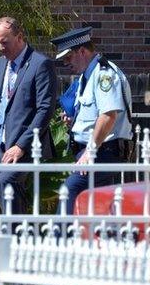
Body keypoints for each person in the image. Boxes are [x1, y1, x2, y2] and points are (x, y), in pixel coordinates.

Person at [51, 27, 133, 214]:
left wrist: (90, 151)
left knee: (69, 190)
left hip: (103, 152)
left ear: (82, 51)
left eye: (68, 57)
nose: (66, 63)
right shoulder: (86, 77)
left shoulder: (104, 74)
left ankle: (58, 241)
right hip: (91, 153)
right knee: (98, 207)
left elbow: (108, 116)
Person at [0, 17, 57, 214]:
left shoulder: (40, 64)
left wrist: (21, 145)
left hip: (24, 143)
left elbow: (45, 109)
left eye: (5, 42)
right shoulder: (0, 64)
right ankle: (18, 237)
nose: (1, 48)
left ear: (19, 37)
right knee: (9, 193)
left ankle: (14, 237)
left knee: (7, 182)